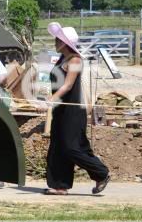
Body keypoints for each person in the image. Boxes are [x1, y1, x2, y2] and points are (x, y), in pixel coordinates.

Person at [44, 22, 110, 196]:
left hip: (73, 111)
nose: (55, 43)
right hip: (61, 109)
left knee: (71, 146)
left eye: (58, 40)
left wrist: (53, 97)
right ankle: (60, 185)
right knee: (58, 146)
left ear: (65, 42)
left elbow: (68, 84)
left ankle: (101, 173)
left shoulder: (75, 59)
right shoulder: (62, 58)